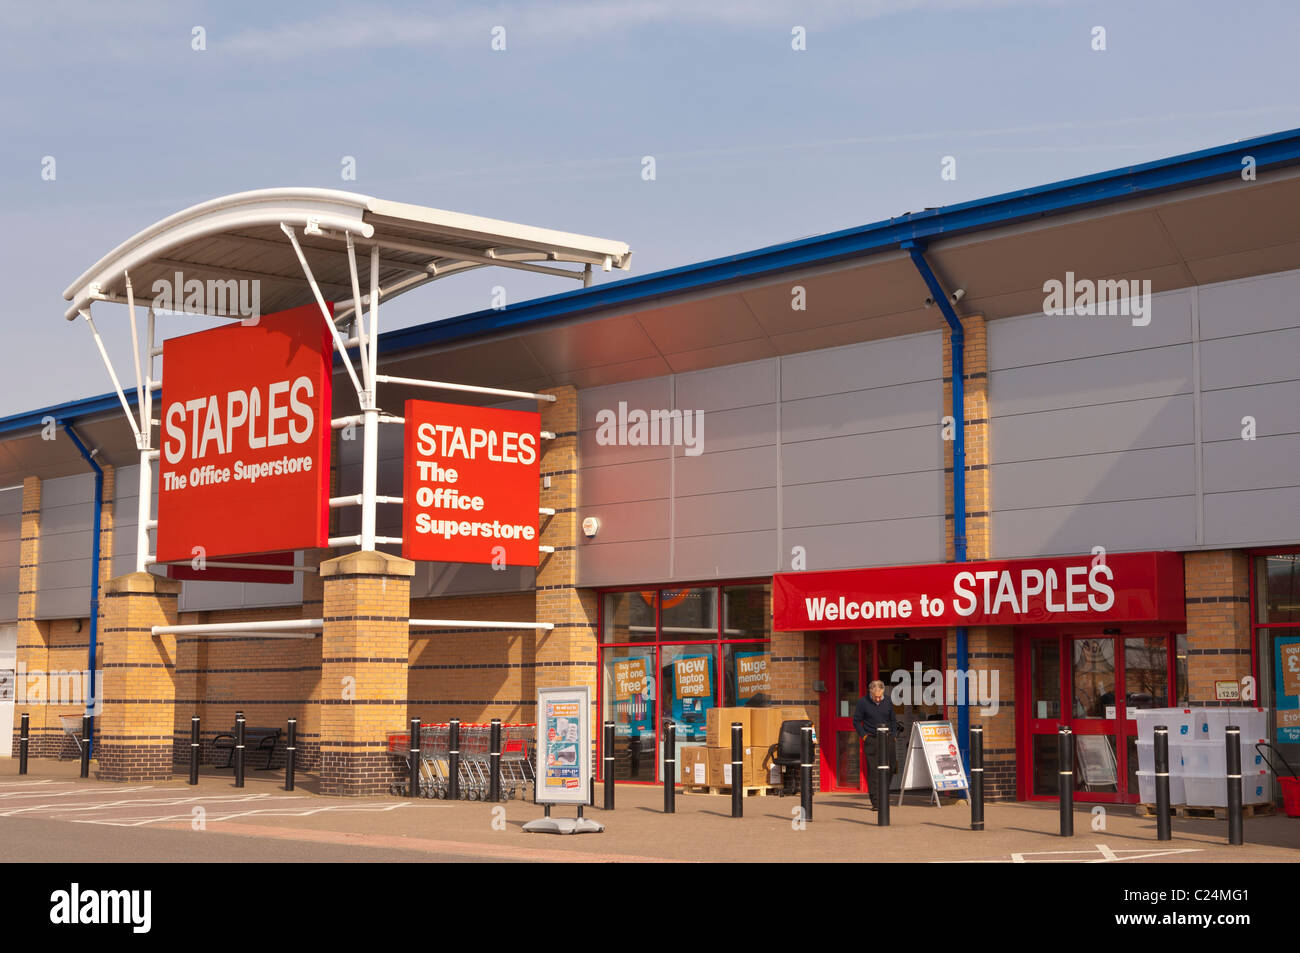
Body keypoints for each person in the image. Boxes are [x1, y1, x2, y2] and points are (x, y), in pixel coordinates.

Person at [853, 679, 902, 810]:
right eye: (876, 697)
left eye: (880, 696)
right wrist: (864, 737)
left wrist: (893, 736)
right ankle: (876, 802)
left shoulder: (887, 701)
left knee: (891, 767)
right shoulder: (862, 702)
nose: (878, 699)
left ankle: (884, 795)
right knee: (874, 771)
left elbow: (893, 720)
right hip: (872, 739)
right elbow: (856, 721)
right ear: (870, 692)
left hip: (887, 738)